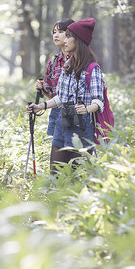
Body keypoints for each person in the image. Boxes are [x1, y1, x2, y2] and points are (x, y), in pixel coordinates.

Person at [27, 18, 104, 172]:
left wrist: (87, 109)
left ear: (79, 40)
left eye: (68, 36)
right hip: (63, 122)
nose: (65, 40)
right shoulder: (67, 65)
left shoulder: (92, 68)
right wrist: (40, 107)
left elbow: (99, 101)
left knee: (78, 173)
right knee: (55, 172)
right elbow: (60, 98)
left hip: (82, 125)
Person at [35, 18, 74, 171]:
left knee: (73, 151)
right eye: (54, 32)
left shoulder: (78, 58)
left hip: (74, 112)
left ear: (71, 34)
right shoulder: (53, 62)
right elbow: (52, 95)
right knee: (58, 151)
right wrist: (42, 89)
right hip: (57, 111)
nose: (56, 35)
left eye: (61, 32)